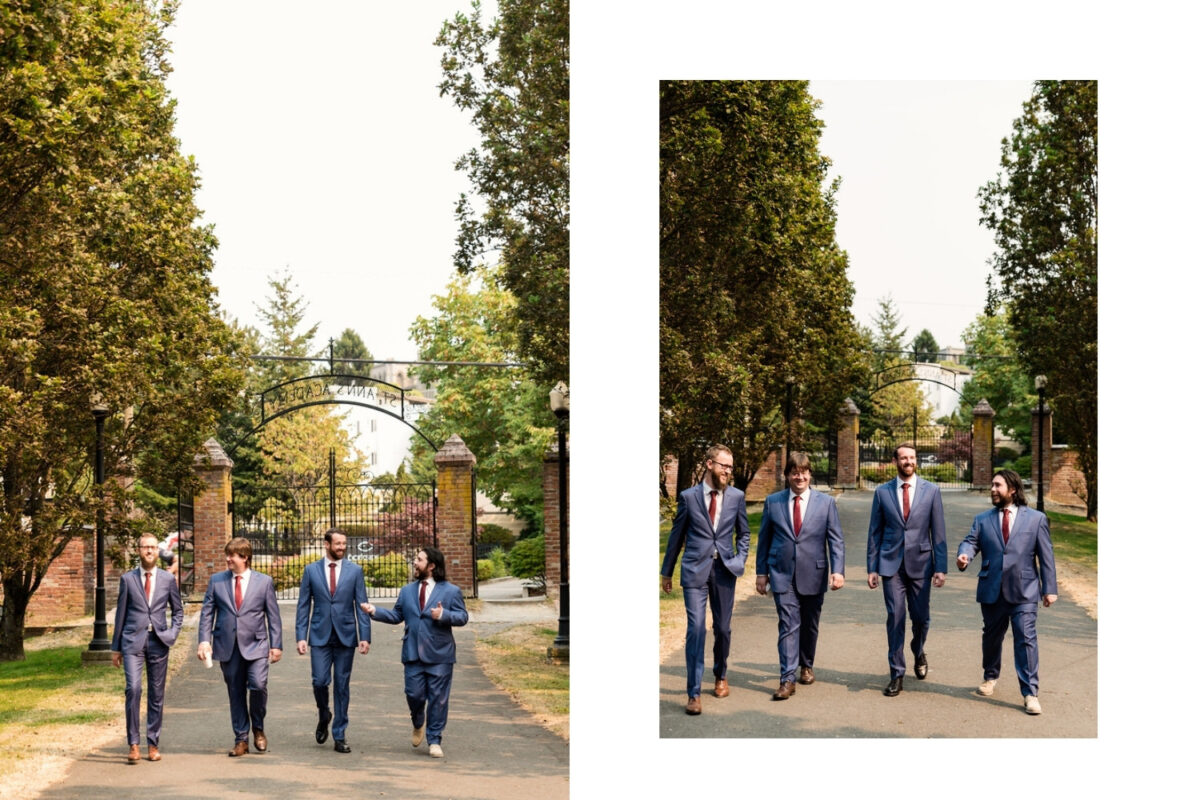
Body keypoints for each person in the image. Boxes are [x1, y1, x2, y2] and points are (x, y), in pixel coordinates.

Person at [957, 469, 1057, 715]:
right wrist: (964, 555)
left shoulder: (1035, 519)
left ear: (1012, 489)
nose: (992, 489)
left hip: (1025, 590)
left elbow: (1046, 556)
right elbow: (971, 541)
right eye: (992, 484)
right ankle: (990, 676)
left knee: (1025, 639)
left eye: (997, 485)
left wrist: (1049, 588)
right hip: (992, 589)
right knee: (991, 638)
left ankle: (1030, 693)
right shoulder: (982, 519)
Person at [660, 444, 751, 715]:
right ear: (710, 464)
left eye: (731, 467)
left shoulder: (736, 496)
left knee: (722, 628)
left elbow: (744, 533)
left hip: (724, 570)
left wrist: (739, 558)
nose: (728, 471)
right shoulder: (688, 497)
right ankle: (694, 692)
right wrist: (667, 571)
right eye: (724, 465)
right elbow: (676, 537)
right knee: (696, 629)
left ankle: (721, 675)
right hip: (695, 571)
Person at [361, 547, 468, 758]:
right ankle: (418, 721)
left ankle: (435, 739)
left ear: (431, 566)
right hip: (412, 653)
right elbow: (396, 615)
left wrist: (443, 614)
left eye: (419, 560)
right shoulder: (407, 591)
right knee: (414, 695)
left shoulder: (450, 591)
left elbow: (462, 617)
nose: (414, 563)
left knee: (438, 698)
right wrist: (375, 611)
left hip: (440, 654)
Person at [755, 452, 845, 700]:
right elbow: (764, 540)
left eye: (804, 472)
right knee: (787, 625)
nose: (800, 476)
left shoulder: (825, 503)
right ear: (787, 476)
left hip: (814, 573)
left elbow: (835, 540)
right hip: (781, 573)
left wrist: (838, 570)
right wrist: (761, 573)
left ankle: (806, 663)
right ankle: (787, 678)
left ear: (810, 475)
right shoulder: (773, 502)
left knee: (810, 625)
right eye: (795, 472)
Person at [866, 443, 947, 696]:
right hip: (891, 566)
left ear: (916, 461)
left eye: (912, 457)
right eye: (903, 458)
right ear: (895, 461)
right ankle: (896, 674)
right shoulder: (882, 493)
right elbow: (874, 533)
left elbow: (939, 531)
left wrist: (940, 567)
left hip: (922, 565)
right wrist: (872, 567)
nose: (908, 461)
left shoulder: (932, 491)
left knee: (921, 618)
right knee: (896, 617)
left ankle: (918, 648)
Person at [197, 537, 283, 757]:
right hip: (227, 646)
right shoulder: (217, 581)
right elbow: (207, 613)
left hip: (256, 644)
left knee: (258, 685)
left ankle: (258, 728)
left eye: (232, 556)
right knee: (235, 693)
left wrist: (276, 645)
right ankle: (241, 739)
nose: (228, 559)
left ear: (245, 557)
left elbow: (273, 616)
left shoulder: (263, 582)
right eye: (227, 555)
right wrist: (204, 640)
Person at [296, 528, 371, 753]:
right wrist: (301, 636)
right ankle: (324, 713)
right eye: (337, 543)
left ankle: (339, 735)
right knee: (319, 681)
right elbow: (302, 606)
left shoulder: (355, 571)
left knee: (341, 685)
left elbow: (362, 604)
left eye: (343, 543)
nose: (341, 547)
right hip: (319, 635)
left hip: (346, 636)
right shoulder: (310, 571)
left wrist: (364, 636)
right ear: (326, 545)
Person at [111, 534, 184, 763]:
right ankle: (134, 744)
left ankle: (153, 743)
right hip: (132, 641)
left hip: (159, 642)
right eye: (145, 547)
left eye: (153, 547)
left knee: (156, 694)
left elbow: (178, 611)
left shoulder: (167, 579)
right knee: (133, 689)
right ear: (139, 550)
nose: (149, 551)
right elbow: (121, 614)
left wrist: (172, 633)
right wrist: (116, 648)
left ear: (157, 551)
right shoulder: (128, 579)